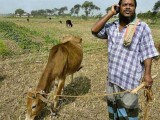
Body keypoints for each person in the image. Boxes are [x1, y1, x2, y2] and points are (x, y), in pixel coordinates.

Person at [91, 0, 159, 119]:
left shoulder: (142, 27)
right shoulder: (112, 26)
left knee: (128, 112)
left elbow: (147, 53)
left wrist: (147, 74)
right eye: (124, 5)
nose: (128, 7)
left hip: (129, 81)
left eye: (131, 5)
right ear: (119, 7)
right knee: (114, 110)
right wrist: (110, 13)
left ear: (135, 8)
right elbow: (94, 30)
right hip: (112, 79)